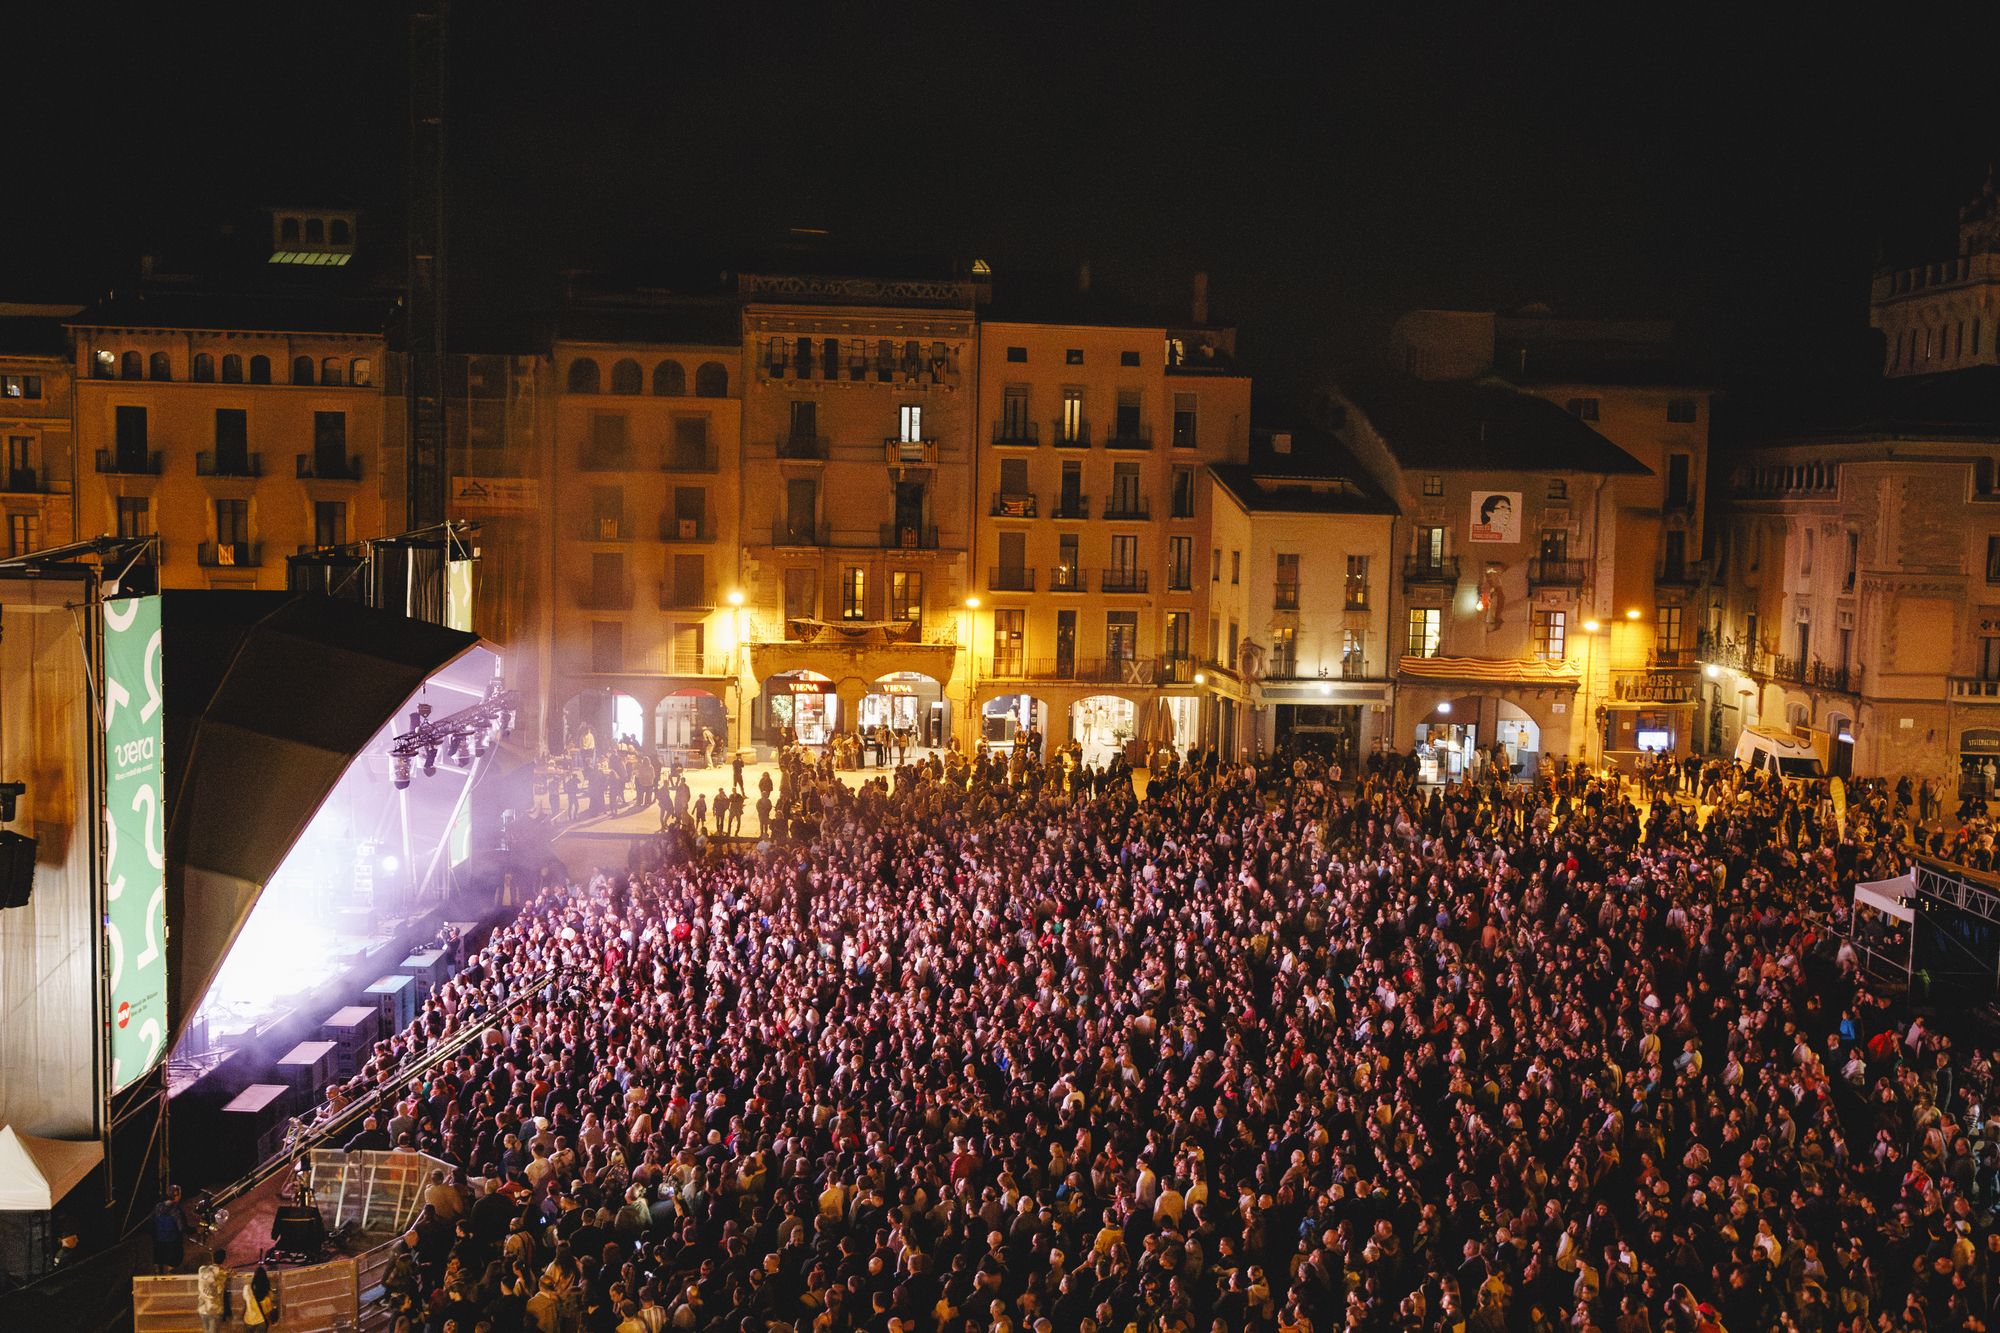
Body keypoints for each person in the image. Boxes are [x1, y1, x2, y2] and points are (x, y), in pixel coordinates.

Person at [151, 1185, 187, 1272]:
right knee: (169, 1269)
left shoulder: (158, 1207)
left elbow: (152, 1221)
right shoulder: (176, 1211)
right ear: (177, 1196)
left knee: (158, 1267)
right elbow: (181, 1228)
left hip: (158, 1243)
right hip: (172, 1245)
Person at [197, 1248, 230, 1333]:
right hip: (215, 1308)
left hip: (202, 1307)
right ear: (224, 1259)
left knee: (206, 1330)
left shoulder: (201, 1269)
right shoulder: (222, 1272)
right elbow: (231, 1273)